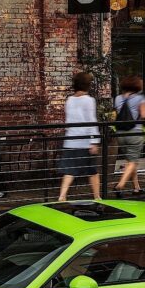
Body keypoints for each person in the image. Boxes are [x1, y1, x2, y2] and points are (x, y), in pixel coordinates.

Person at [58, 72, 100, 201]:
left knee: (69, 171)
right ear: (87, 85)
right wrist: (94, 141)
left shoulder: (69, 100)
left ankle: (62, 196)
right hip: (85, 141)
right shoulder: (89, 100)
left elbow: (68, 121)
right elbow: (91, 121)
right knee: (92, 171)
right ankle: (97, 197)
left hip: (70, 141)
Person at [113, 75, 145, 196]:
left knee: (130, 161)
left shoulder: (118, 98)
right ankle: (120, 185)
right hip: (134, 133)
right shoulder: (140, 98)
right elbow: (143, 115)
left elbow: (117, 113)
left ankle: (136, 188)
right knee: (132, 161)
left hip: (120, 134)